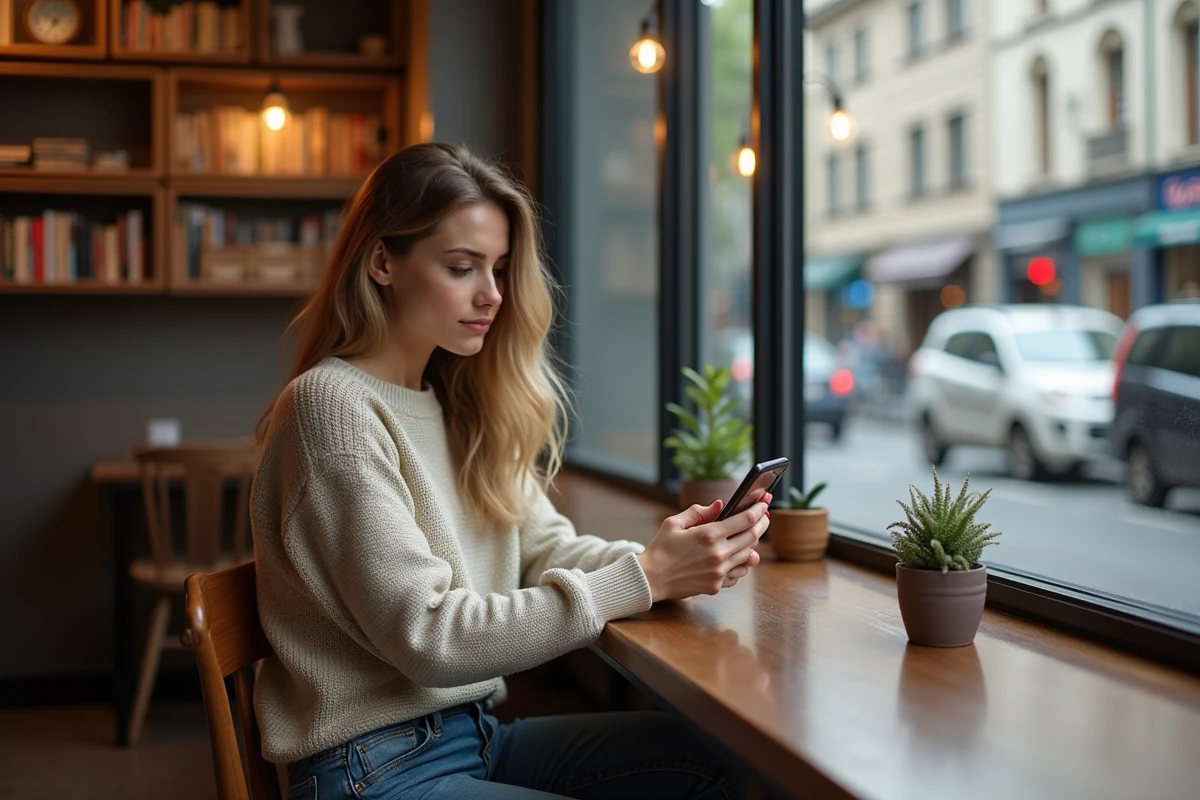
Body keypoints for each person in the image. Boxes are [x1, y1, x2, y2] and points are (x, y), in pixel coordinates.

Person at [251, 142, 772, 799]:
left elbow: (544, 547)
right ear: (383, 260)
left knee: (722, 762)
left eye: (498, 268)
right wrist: (642, 578)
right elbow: (429, 638)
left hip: (472, 738)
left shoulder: (454, 403)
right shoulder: (331, 408)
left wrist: (670, 561)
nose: (492, 294)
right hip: (371, 770)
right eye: (462, 267)